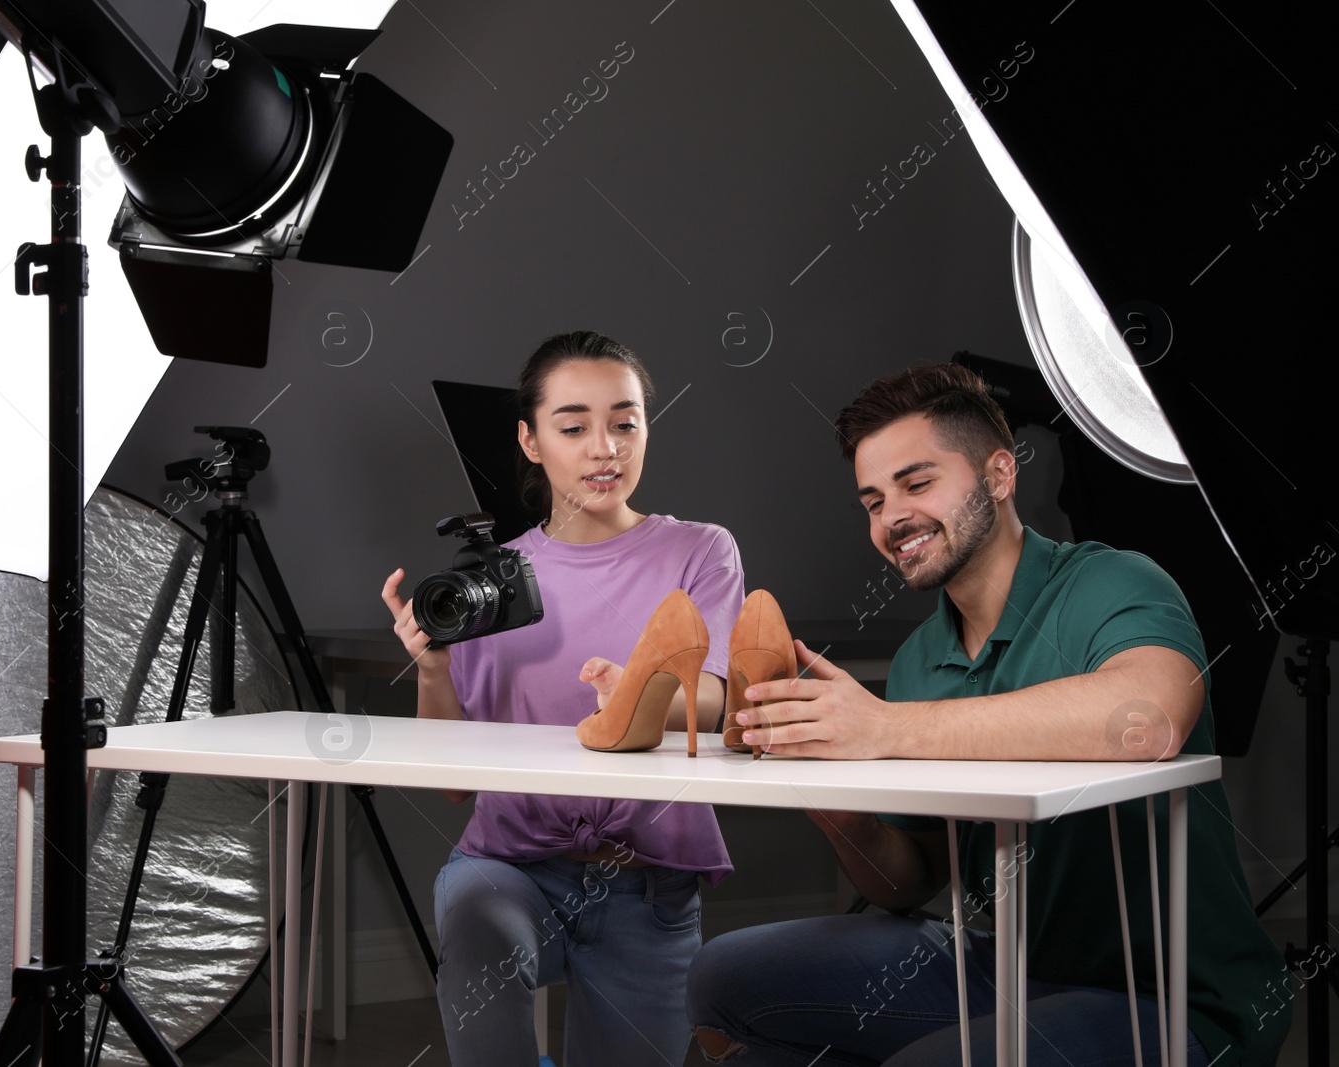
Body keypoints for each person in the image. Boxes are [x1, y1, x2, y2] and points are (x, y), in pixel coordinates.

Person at [685, 364, 1288, 1066]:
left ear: (1000, 474)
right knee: (722, 977)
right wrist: (838, 807)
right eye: (873, 501)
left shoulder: (1113, 581)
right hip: (1001, 969)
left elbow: (1145, 719)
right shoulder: (918, 659)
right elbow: (910, 880)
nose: (891, 519)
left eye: (917, 483)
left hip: (1173, 999)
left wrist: (885, 729)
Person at [382, 330, 746, 1067]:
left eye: (625, 421)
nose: (604, 447)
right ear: (531, 440)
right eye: (574, 426)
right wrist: (432, 666)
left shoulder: (700, 550)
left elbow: (717, 701)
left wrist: (636, 693)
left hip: (649, 884)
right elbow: (454, 784)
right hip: (510, 864)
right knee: (478, 926)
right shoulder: (494, 577)